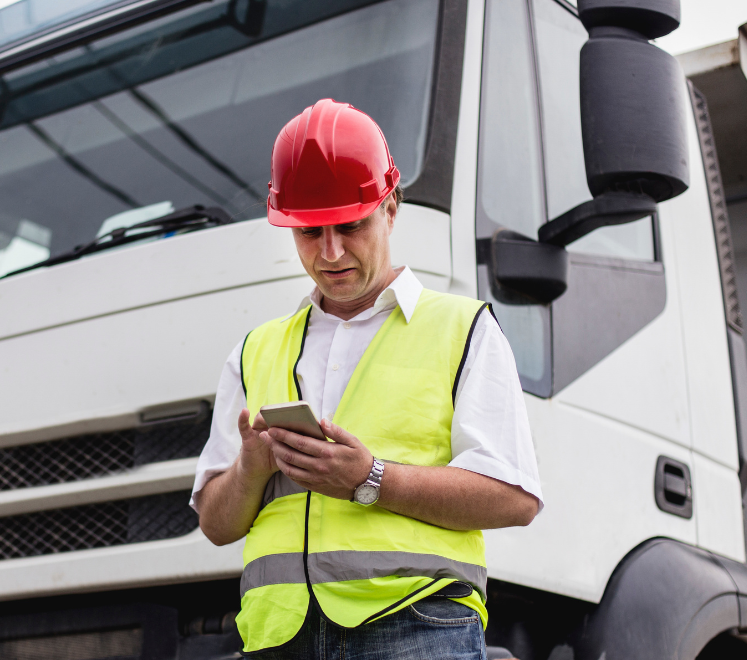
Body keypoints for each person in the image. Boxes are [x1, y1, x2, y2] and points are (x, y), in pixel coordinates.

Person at [190, 98, 543, 659]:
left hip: (416, 623)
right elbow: (216, 524)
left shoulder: (463, 328)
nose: (330, 253)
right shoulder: (254, 351)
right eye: (309, 232)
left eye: (350, 226)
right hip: (277, 637)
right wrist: (251, 467)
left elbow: (514, 498)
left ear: (391, 207)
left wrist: (371, 477)